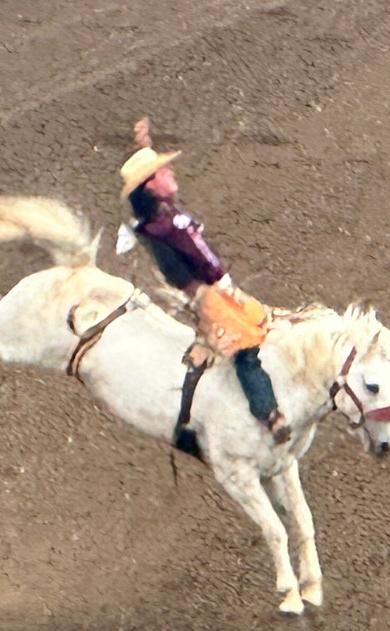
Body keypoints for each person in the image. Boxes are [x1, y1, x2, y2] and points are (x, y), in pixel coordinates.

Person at [119, 118, 291, 444]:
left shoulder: (151, 222)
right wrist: (226, 285)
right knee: (246, 347)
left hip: (200, 293)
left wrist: (144, 145)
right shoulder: (174, 223)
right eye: (163, 173)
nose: (171, 175)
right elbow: (205, 259)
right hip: (210, 295)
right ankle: (268, 413)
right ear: (152, 188)